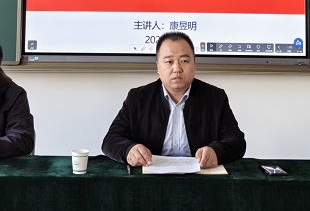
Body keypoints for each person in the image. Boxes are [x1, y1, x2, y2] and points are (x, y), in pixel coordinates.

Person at [102, 31, 246, 169]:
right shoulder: (138, 98)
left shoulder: (215, 97)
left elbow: (237, 141)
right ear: (158, 66)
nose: (177, 68)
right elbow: (110, 140)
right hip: (151, 178)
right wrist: (128, 149)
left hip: (200, 178)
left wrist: (216, 152)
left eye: (184, 61)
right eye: (169, 61)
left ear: (194, 64)